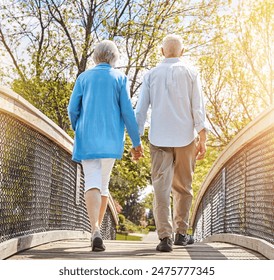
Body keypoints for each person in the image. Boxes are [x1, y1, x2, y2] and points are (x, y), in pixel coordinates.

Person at [135, 34, 208, 252]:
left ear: (161, 51)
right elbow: (198, 107)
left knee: (160, 188)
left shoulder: (150, 75)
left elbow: (140, 110)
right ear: (182, 52)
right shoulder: (191, 73)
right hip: (185, 138)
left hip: (158, 139)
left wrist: (136, 140)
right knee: (183, 187)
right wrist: (202, 137)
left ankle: (164, 237)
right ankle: (181, 234)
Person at [68, 40, 143, 252]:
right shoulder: (120, 78)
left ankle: (94, 230)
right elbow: (128, 112)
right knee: (103, 184)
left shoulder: (83, 78)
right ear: (114, 58)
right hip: (111, 140)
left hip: (88, 138)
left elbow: (72, 109)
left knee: (91, 180)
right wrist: (136, 143)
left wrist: (78, 127)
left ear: (95, 56)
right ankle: (98, 228)